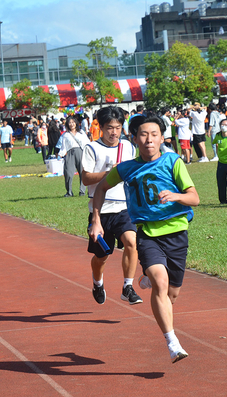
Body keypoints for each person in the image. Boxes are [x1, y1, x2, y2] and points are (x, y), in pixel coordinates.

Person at [89, 114, 199, 363]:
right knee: (160, 283)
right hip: (148, 233)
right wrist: (96, 219)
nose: (149, 140)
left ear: (162, 138)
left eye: (154, 135)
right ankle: (173, 343)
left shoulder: (173, 161)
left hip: (177, 233)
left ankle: (148, 275)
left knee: (171, 294)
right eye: (143, 135)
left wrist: (176, 196)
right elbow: (102, 189)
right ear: (135, 138)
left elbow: (194, 198)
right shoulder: (127, 168)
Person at [81, 107, 143, 306]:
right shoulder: (91, 148)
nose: (114, 132)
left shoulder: (129, 147)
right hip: (101, 210)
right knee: (101, 256)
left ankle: (128, 286)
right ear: (101, 127)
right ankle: (97, 282)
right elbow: (85, 178)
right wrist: (111, 173)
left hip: (125, 208)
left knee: (131, 242)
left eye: (118, 127)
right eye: (109, 128)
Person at [58, 116, 88, 197]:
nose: (71, 124)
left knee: (83, 172)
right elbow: (64, 146)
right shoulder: (66, 134)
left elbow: (87, 143)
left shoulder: (81, 132)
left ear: (76, 123)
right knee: (68, 172)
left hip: (81, 152)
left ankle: (82, 191)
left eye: (73, 122)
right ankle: (69, 192)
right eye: (70, 123)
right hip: (70, 153)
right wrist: (60, 154)